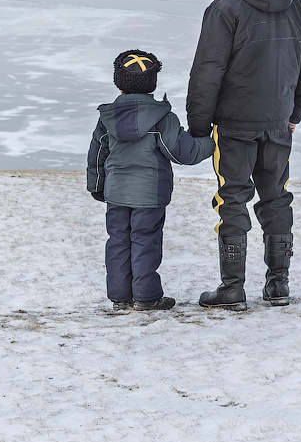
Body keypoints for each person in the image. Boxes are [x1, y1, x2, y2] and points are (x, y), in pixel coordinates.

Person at [187, 0, 301, 310]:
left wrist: (197, 124)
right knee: (276, 198)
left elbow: (208, 71)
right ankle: (278, 285)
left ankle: (232, 287)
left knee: (232, 199)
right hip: (278, 121)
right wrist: (295, 113)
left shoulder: (225, 7)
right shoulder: (298, 4)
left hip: (234, 124)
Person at [87, 49, 216, 311]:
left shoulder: (107, 118)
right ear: (153, 82)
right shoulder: (162, 118)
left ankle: (121, 298)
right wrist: (211, 141)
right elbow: (184, 152)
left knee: (118, 242)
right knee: (146, 241)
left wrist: (97, 186)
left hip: (117, 193)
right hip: (150, 194)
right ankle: (146, 298)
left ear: (118, 82)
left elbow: (97, 155)